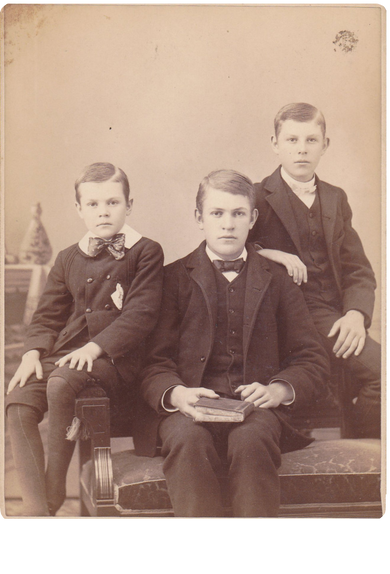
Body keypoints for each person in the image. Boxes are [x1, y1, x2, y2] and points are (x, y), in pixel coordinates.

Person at [135, 169, 329, 518]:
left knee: (251, 440)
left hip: (256, 411)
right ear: (199, 218)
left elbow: (310, 358)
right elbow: (153, 361)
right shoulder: (173, 280)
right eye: (217, 213)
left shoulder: (279, 282)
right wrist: (177, 393)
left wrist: (279, 390)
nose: (228, 224)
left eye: (238, 213)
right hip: (189, 408)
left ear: (252, 219)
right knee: (187, 440)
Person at [6, 162, 164, 516]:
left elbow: (141, 314)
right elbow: (47, 314)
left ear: (129, 204)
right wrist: (32, 353)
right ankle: (37, 510)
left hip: (114, 359)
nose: (103, 211)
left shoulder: (146, 251)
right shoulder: (66, 258)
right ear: (79, 209)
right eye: (92, 204)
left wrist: (95, 347)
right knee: (17, 400)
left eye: (112, 202)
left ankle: (54, 490)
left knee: (62, 382)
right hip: (64, 354)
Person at [247, 102, 381, 439]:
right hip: (293, 314)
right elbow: (225, 246)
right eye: (292, 140)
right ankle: (360, 443)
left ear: (325, 145)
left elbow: (358, 269)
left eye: (311, 140)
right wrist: (269, 252)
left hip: (336, 315)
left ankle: (359, 444)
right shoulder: (256, 196)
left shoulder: (335, 197)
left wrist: (355, 313)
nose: (302, 149)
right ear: (275, 143)